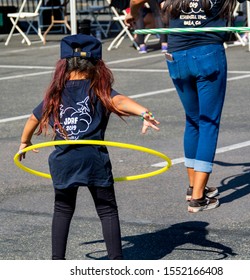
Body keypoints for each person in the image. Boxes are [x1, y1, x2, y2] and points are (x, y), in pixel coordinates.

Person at [127, 0, 250, 213]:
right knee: (208, 123)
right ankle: (198, 198)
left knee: (194, 120)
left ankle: (194, 187)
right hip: (207, 54)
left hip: (177, 55)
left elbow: (135, 1)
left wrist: (134, 15)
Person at [17, 34, 160, 260]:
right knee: (106, 210)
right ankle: (115, 261)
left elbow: (33, 119)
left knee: (63, 209)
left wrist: (25, 141)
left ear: (64, 63)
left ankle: (57, 262)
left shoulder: (55, 94)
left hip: (64, 160)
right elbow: (120, 101)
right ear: (97, 64)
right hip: (93, 159)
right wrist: (144, 112)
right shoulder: (99, 91)